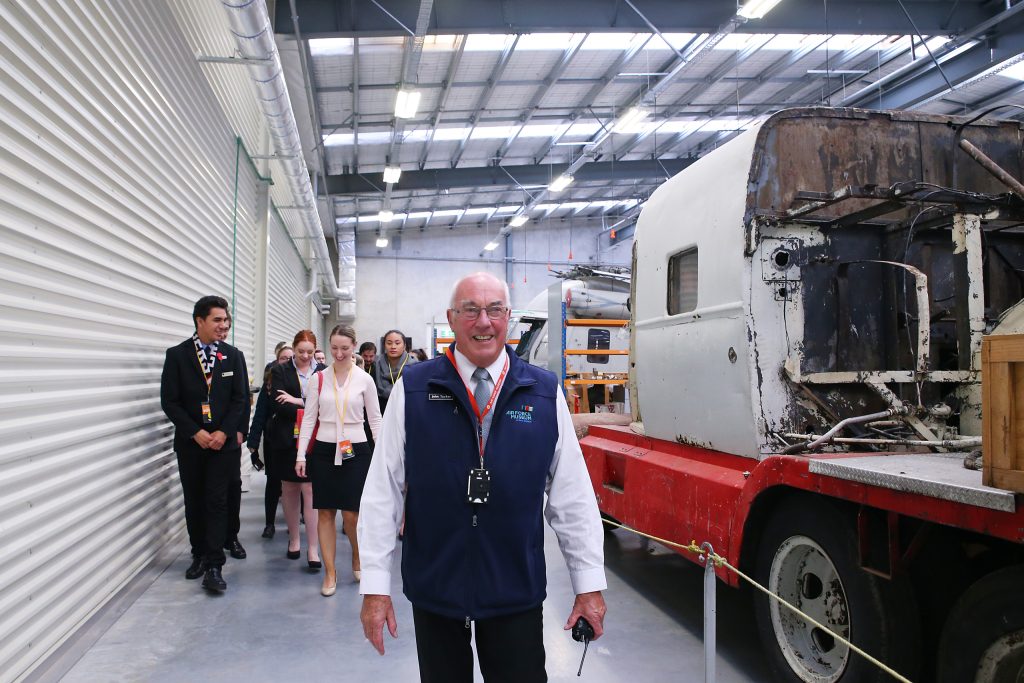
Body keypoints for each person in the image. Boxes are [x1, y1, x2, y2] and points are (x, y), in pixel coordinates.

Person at [358, 272, 607, 682]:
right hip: (436, 585)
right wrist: (375, 585)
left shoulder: (542, 393)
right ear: (452, 319)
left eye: (494, 310)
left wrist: (589, 583)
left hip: (514, 586)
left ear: (508, 317)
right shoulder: (416, 389)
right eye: (471, 310)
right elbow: (382, 490)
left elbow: (572, 497)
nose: (484, 321)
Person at [160, 295, 250, 592]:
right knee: (194, 500)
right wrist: (194, 432)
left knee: (217, 501)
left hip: (222, 446)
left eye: (226, 320)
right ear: (200, 321)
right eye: (217, 320)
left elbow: (239, 399)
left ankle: (214, 564)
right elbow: (169, 401)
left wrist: (224, 431)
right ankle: (198, 553)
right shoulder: (178, 356)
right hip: (191, 444)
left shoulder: (232, 356)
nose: (223, 325)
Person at [296, 325, 382, 597]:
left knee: (352, 515)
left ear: (354, 346)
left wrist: (381, 454)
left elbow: (375, 419)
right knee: (325, 512)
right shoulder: (318, 379)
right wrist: (301, 454)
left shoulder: (364, 380)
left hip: (356, 450)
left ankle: (357, 557)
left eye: (345, 348)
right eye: (334, 347)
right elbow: (309, 419)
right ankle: (330, 572)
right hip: (323, 449)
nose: (339, 353)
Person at [267, 330, 325, 569]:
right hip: (285, 438)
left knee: (310, 489)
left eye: (310, 352)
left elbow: (325, 403)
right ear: (293, 348)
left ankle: (313, 547)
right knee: (289, 488)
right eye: (300, 351)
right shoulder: (279, 371)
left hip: (314, 437)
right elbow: (278, 404)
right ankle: (294, 539)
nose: (305, 356)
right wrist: (307, 406)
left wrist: (297, 401)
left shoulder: (322, 371)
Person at [247, 344, 293, 538]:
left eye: (291, 357)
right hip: (274, 438)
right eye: (283, 358)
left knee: (294, 484)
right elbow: (260, 414)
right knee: (273, 482)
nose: (288, 361)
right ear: (276, 360)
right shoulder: (270, 381)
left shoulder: (303, 380)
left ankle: (295, 520)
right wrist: (253, 442)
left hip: (296, 438)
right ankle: (269, 523)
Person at [371, 330, 417, 415]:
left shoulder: (414, 367)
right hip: (381, 412)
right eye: (389, 343)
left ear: (404, 346)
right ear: (384, 345)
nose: (393, 346)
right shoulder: (375, 364)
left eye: (397, 343)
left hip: (407, 411)